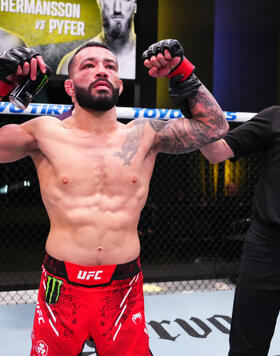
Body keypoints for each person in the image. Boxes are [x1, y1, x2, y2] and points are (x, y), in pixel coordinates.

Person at [0, 39, 228, 356]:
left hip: (123, 287)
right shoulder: (43, 132)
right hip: (60, 285)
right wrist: (2, 82)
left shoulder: (144, 134)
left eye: (110, 66)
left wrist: (182, 73)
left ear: (119, 85)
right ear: (68, 86)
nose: (101, 71)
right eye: (89, 65)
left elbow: (214, 126)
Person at [200, 106, 280, 356]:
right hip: (268, 245)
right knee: (248, 346)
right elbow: (215, 153)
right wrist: (189, 95)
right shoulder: (275, 118)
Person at [57, 0, 137, 79]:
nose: (117, 9)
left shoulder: (147, 62)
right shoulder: (72, 63)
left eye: (126, 0)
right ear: (100, 2)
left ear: (135, 4)